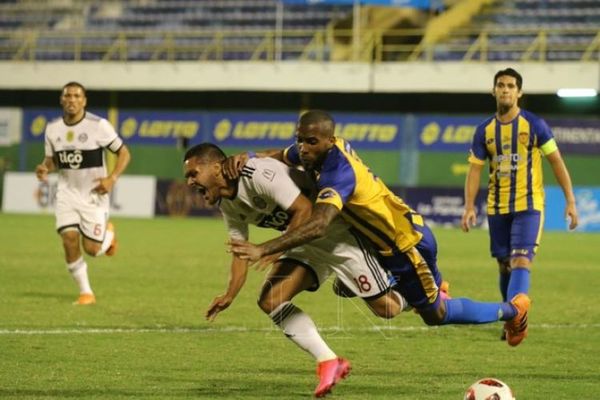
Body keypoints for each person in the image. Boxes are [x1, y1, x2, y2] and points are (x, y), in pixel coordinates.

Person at [225, 110, 530, 347]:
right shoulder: (319, 150)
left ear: (330, 141)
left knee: (435, 315)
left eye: (310, 141)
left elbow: (318, 224)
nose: (303, 148)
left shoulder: (338, 173)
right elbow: (282, 154)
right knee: (353, 287)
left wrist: (265, 248)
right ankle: (431, 289)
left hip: (403, 247)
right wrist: (250, 156)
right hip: (396, 234)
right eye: (300, 139)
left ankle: (514, 312)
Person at [184, 143, 407, 398]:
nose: (190, 182)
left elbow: (304, 210)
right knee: (271, 299)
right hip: (302, 242)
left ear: (215, 168)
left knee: (388, 309)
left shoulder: (256, 174)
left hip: (337, 235)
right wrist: (229, 295)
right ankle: (329, 361)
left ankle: (416, 291)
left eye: (193, 174)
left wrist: (273, 249)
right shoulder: (227, 204)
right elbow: (240, 251)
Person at [461, 68, 578, 342]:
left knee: (521, 260)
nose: (505, 90)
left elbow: (556, 162)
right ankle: (510, 315)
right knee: (504, 265)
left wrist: (570, 200)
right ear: (494, 91)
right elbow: (475, 170)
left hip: (529, 206)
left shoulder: (535, 125)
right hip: (497, 208)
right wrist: (469, 206)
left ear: (519, 92)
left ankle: (516, 320)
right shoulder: (484, 131)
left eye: (511, 86)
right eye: (500, 85)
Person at [35, 82, 131, 306]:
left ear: (84, 101)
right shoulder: (52, 129)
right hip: (66, 194)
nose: (71, 99)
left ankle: (107, 236)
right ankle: (86, 293)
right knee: (68, 239)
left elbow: (124, 153)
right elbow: (52, 160)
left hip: (93, 195)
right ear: (61, 100)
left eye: (77, 96)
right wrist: (44, 168)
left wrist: (111, 178)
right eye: (67, 95)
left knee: (92, 250)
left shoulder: (99, 126)